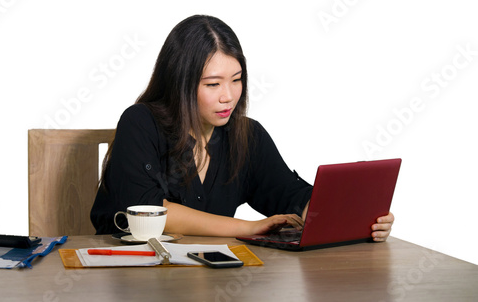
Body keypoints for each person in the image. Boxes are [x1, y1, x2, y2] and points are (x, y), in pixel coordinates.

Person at [90, 15, 394, 241]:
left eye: (237, 80)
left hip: (207, 278)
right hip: (129, 275)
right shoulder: (140, 122)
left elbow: (290, 196)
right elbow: (148, 210)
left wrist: (356, 217)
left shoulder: (246, 135)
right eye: (213, 84)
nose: (229, 96)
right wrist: (247, 228)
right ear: (180, 83)